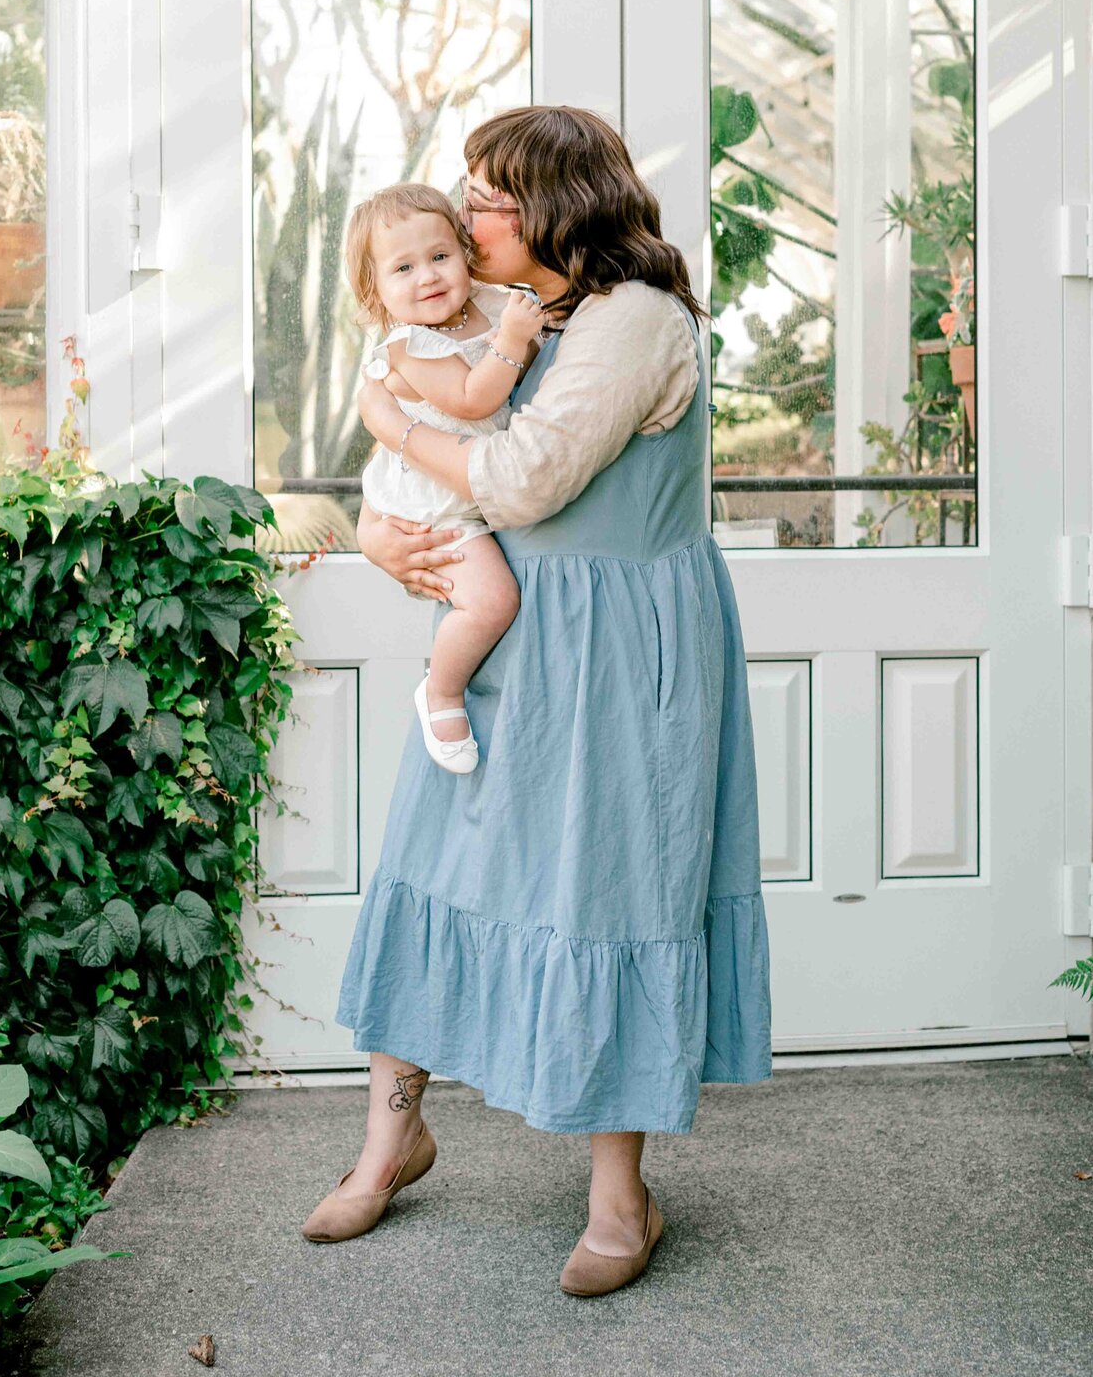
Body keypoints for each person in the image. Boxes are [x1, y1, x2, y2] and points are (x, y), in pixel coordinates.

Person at [302, 106, 772, 1298]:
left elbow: (520, 475)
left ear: (557, 203)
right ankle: (390, 1137)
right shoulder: (507, 315)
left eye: (489, 196)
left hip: (622, 646)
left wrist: (395, 418)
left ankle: (623, 1197)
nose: (467, 216)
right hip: (517, 629)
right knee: (436, 864)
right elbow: (424, 479)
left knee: (611, 888)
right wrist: (375, 522)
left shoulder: (636, 321)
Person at [344, 182, 548, 772]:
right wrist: (512, 338)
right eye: (402, 268)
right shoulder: (410, 345)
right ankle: (441, 692)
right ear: (375, 289)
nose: (427, 277)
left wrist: (516, 327)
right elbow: (472, 400)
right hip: (435, 507)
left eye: (439, 256)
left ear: (464, 250)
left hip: (469, 487)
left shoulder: (487, 301)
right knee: (492, 602)